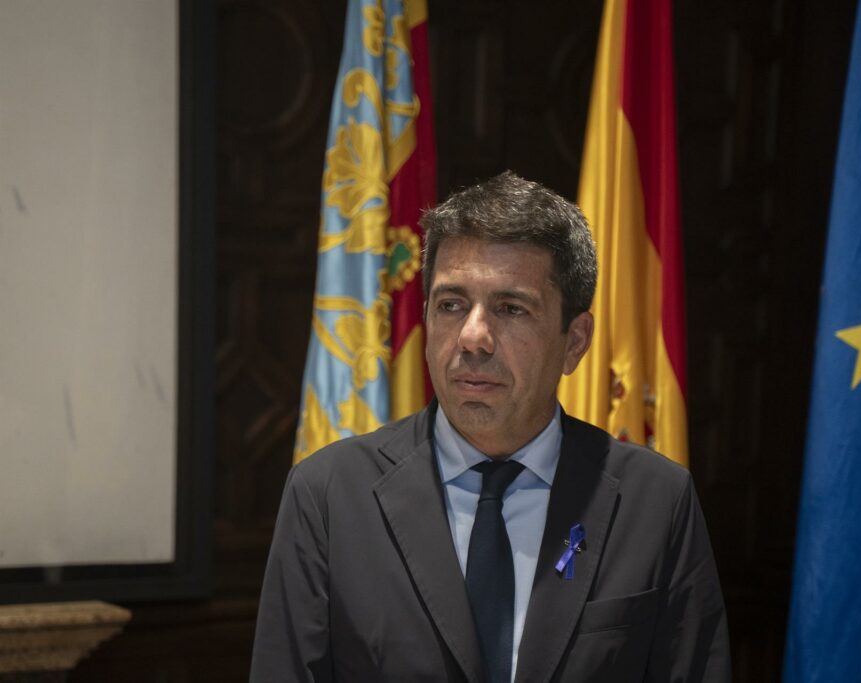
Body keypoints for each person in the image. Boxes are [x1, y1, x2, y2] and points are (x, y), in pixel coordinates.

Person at [251, 172, 731, 682]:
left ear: (574, 341)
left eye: (510, 308)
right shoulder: (328, 494)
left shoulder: (656, 501)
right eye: (451, 305)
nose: (473, 336)